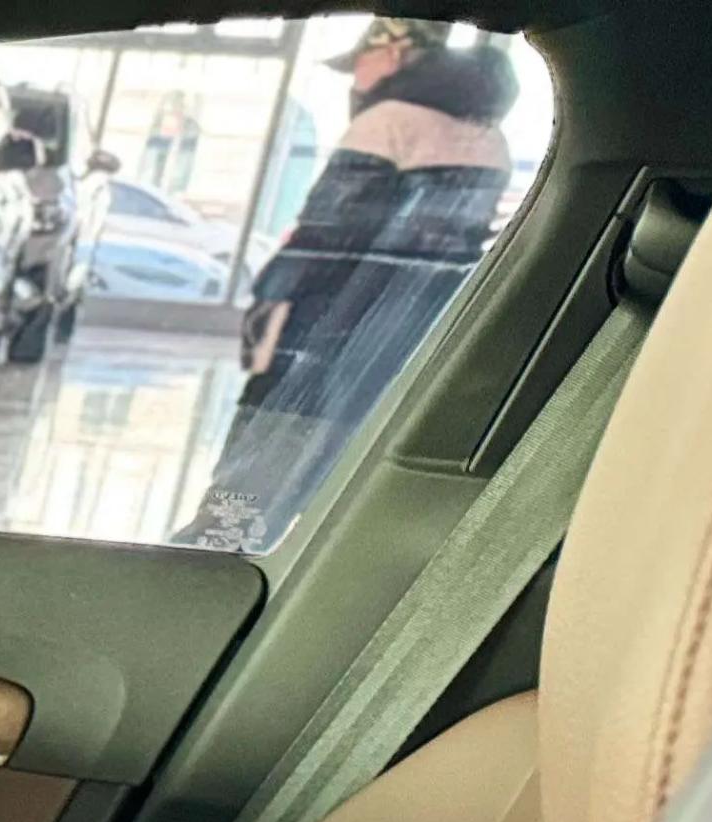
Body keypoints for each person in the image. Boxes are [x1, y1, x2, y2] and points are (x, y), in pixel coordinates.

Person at [181, 18, 522, 550]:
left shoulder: (387, 122)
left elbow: (327, 235)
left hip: (330, 318)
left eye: (359, 63)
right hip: (410, 325)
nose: (355, 78)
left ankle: (219, 548)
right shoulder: (489, 137)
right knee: (343, 454)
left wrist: (271, 298)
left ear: (394, 53)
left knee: (270, 442)